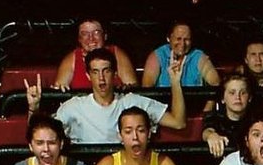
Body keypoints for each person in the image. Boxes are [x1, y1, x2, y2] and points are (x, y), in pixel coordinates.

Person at [24, 47, 186, 144]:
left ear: (115, 73)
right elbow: (38, 134)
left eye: (106, 71)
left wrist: (175, 82)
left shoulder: (132, 102)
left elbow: (178, 122)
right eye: (95, 72)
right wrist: (33, 108)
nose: (101, 78)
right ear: (88, 76)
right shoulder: (73, 106)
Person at [53, 17, 138, 90]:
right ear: (79, 39)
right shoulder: (72, 59)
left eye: (96, 32)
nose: (91, 38)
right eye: (85, 34)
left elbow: (132, 87)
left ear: (105, 36)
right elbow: (59, 89)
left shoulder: (117, 54)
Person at [142, 21, 220, 88]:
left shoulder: (198, 56)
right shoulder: (158, 55)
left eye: (186, 39)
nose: (182, 44)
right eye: (178, 39)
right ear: (169, 38)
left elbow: (216, 84)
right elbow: (147, 87)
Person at [201, 73, 253, 158]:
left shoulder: (257, 119)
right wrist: (211, 136)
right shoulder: (215, 118)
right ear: (223, 98)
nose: (238, 97)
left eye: (243, 93)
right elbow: (207, 131)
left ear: (250, 97)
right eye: (232, 93)